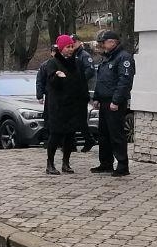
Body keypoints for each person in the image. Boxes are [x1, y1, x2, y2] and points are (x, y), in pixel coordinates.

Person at [91, 30, 135, 177]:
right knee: (104, 135)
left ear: (112, 42)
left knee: (116, 135)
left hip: (114, 103)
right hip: (104, 102)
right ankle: (106, 163)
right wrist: (97, 97)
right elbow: (101, 80)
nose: (102, 45)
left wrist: (116, 101)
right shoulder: (107, 58)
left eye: (103, 42)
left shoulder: (123, 58)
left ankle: (122, 165)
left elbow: (124, 82)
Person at [43, 35, 89, 175]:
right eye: (67, 47)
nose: (70, 49)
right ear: (61, 48)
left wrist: (85, 97)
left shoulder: (77, 62)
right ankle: (50, 164)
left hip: (73, 105)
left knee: (70, 135)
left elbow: (82, 82)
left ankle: (66, 163)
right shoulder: (53, 62)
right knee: (55, 135)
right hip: (58, 106)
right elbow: (50, 82)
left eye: (71, 46)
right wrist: (57, 76)